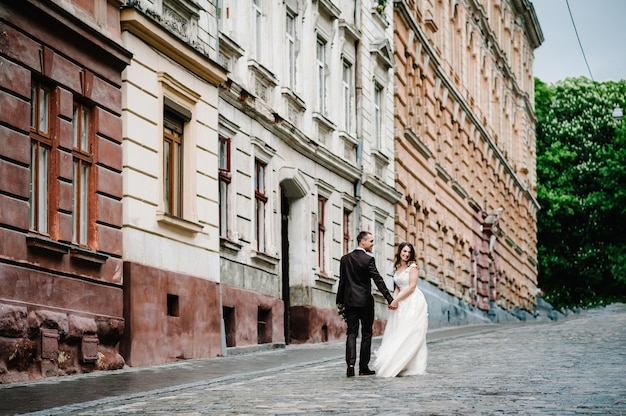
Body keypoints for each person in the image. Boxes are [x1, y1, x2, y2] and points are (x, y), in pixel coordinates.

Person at [337, 231, 396, 377]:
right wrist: (389, 298)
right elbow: (378, 280)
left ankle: (350, 366)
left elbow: (342, 282)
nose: (372, 244)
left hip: (350, 302)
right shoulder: (368, 260)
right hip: (365, 302)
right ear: (362, 242)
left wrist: (340, 302)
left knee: (351, 333)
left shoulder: (345, 259)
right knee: (366, 334)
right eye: (370, 241)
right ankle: (363, 368)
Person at [373, 241, 428, 377]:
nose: (406, 254)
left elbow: (411, 287)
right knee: (397, 330)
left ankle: (409, 363)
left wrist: (396, 300)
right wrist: (393, 300)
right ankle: (398, 361)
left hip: (413, 301)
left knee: (409, 331)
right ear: (400, 252)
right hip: (401, 300)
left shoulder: (413, 266)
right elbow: (398, 286)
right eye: (404, 251)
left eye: (409, 252)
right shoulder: (397, 266)